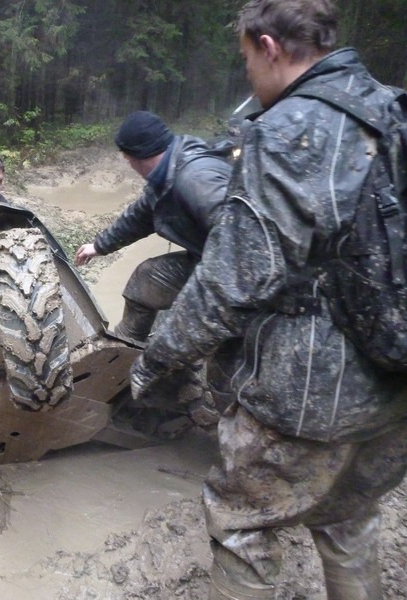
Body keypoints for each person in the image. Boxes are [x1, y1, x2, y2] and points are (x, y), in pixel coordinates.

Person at [129, 1, 407, 598]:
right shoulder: (392, 107)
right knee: (346, 518)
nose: (248, 74)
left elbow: (231, 281)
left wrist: (155, 360)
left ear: (269, 47)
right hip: (393, 378)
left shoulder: (287, 130)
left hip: (309, 391)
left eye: (247, 58)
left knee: (239, 525)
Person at [74, 111, 231, 343]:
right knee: (148, 279)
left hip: (239, 275)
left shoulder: (196, 180)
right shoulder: (167, 174)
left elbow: (240, 238)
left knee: (199, 337)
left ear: (138, 157)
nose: (130, 167)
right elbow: (140, 216)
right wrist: (98, 246)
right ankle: (127, 345)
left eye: (128, 160)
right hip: (207, 260)